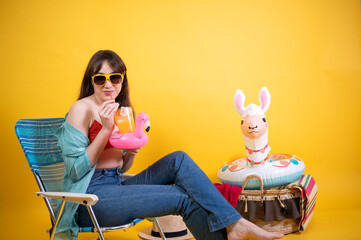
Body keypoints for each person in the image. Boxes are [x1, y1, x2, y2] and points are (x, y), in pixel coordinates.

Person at [54, 50, 284, 240]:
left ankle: (235, 223)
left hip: (117, 185)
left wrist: (131, 155)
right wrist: (105, 129)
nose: (108, 85)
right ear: (90, 81)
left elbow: (121, 168)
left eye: (115, 78)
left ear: (122, 80)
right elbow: (75, 171)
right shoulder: (80, 109)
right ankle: (235, 224)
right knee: (180, 197)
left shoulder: (121, 111)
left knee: (178, 159)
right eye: (100, 78)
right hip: (89, 198)